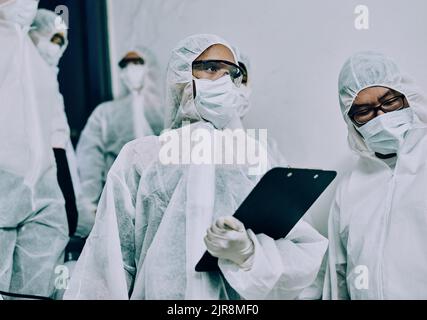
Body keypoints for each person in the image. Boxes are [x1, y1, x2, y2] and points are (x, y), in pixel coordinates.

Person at [64, 34, 327, 300]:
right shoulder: (142, 156)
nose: (224, 81)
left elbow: (303, 249)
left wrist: (250, 253)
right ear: (180, 79)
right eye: (212, 69)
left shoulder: (251, 156)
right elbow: (108, 261)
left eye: (232, 74)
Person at [323, 51, 427, 299]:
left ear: (407, 96)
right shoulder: (349, 188)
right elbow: (337, 276)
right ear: (351, 122)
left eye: (389, 102)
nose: (380, 117)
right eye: (364, 111)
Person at [0, 0, 68, 298]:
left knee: (36, 291)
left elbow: (53, 133)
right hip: (6, 183)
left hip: (42, 193)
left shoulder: (36, 64)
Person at [75, 47, 163, 237]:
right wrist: (89, 208)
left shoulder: (167, 111)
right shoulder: (105, 114)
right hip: (118, 204)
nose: (131, 68)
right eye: (125, 64)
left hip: (163, 202)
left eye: (138, 62)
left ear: (150, 66)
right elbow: (89, 160)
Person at [29, 9, 80, 236]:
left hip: (56, 151)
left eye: (61, 41)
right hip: (33, 153)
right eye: (52, 38)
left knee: (65, 220)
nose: (56, 47)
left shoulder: (51, 78)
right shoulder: (21, 75)